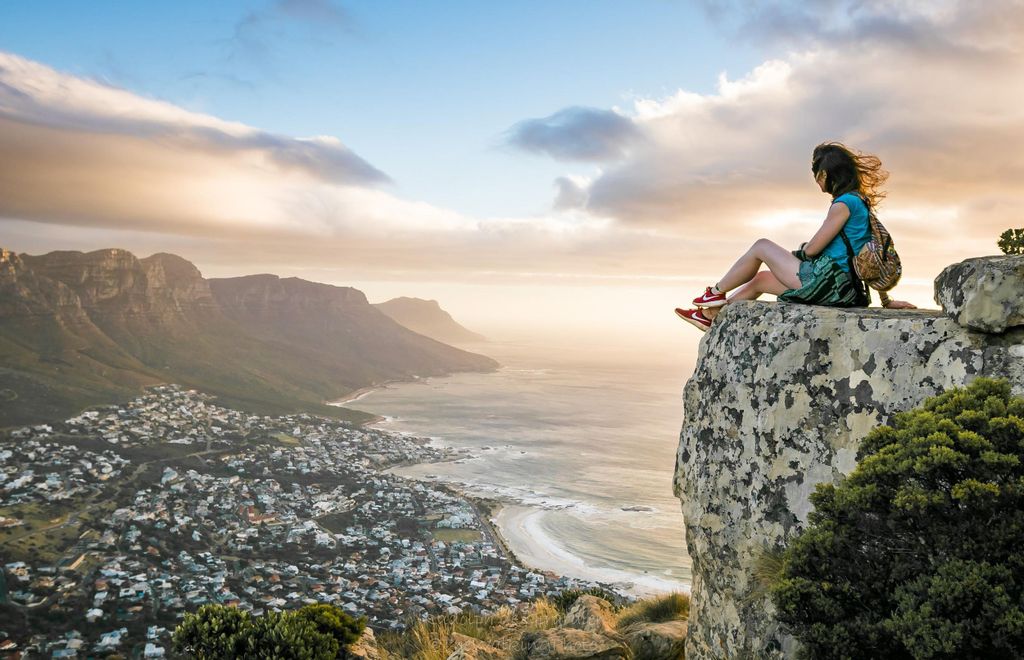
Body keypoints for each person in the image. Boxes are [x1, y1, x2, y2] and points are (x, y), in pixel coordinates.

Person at [676, 141, 915, 332]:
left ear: (824, 175)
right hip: (847, 291)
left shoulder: (843, 205)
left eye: (817, 175)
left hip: (828, 283)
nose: (817, 180)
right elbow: (871, 255)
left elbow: (812, 250)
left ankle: (714, 293)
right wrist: (885, 300)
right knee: (760, 280)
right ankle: (710, 316)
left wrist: (802, 251)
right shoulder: (860, 202)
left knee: (761, 246)